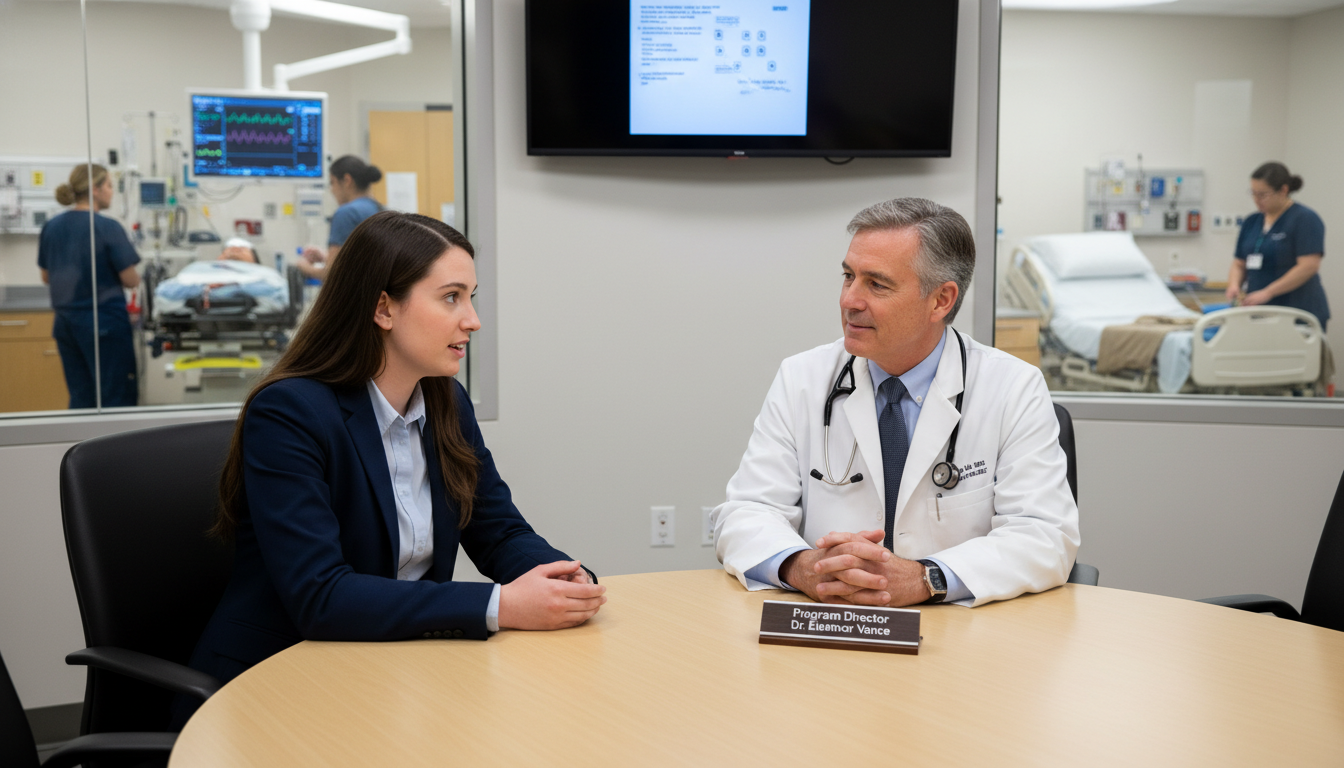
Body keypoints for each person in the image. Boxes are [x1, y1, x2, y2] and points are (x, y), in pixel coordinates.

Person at [178, 211, 604, 724]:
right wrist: (503, 605)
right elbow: (322, 595)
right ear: (383, 307)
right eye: (451, 297)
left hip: (394, 668)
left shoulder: (447, 401)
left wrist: (561, 577)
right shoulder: (290, 413)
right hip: (280, 685)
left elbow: (498, 530)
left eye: (471, 297)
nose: (472, 319)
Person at [712, 198, 1079, 608]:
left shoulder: (1013, 388)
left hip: (957, 638)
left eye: (876, 284)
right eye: (848, 276)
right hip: (833, 623)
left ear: (941, 300)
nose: (850, 300)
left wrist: (926, 577)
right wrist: (806, 568)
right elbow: (745, 512)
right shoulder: (803, 378)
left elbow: (1044, 536)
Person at [37, 164, 140, 408]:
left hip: (66, 324)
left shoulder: (52, 226)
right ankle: (114, 448)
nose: (111, 192)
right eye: (109, 186)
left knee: (81, 398)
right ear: (95, 189)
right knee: (115, 398)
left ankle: (82, 447)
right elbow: (131, 279)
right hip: (104, 324)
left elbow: (46, 277)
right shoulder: (107, 227)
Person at [1225, 162, 1329, 332]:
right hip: (1259, 313)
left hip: (1297, 313)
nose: (1256, 199)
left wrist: (1268, 292)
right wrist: (1234, 285)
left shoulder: (1304, 219)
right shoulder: (1252, 222)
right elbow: (1239, 263)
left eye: (1263, 194)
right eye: (1253, 193)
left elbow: (1309, 265)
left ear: (1283, 190)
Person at [297, 155, 384, 280]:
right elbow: (366, 263)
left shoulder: (346, 213)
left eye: (332, 183)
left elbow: (332, 274)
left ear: (347, 180)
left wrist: (304, 267)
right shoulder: (384, 210)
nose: (331, 190)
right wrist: (325, 257)